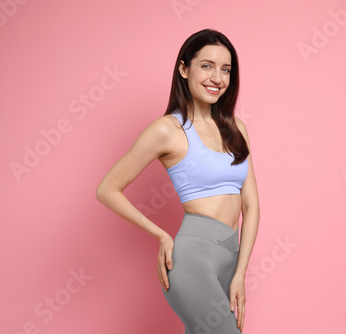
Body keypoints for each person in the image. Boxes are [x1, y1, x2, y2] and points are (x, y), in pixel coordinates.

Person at [96, 28, 259, 333]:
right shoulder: (167, 130)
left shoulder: (237, 128)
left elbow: (251, 204)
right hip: (192, 260)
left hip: (231, 257)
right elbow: (107, 189)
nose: (218, 78)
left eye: (226, 69)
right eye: (207, 66)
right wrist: (162, 235)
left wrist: (241, 272)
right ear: (184, 69)